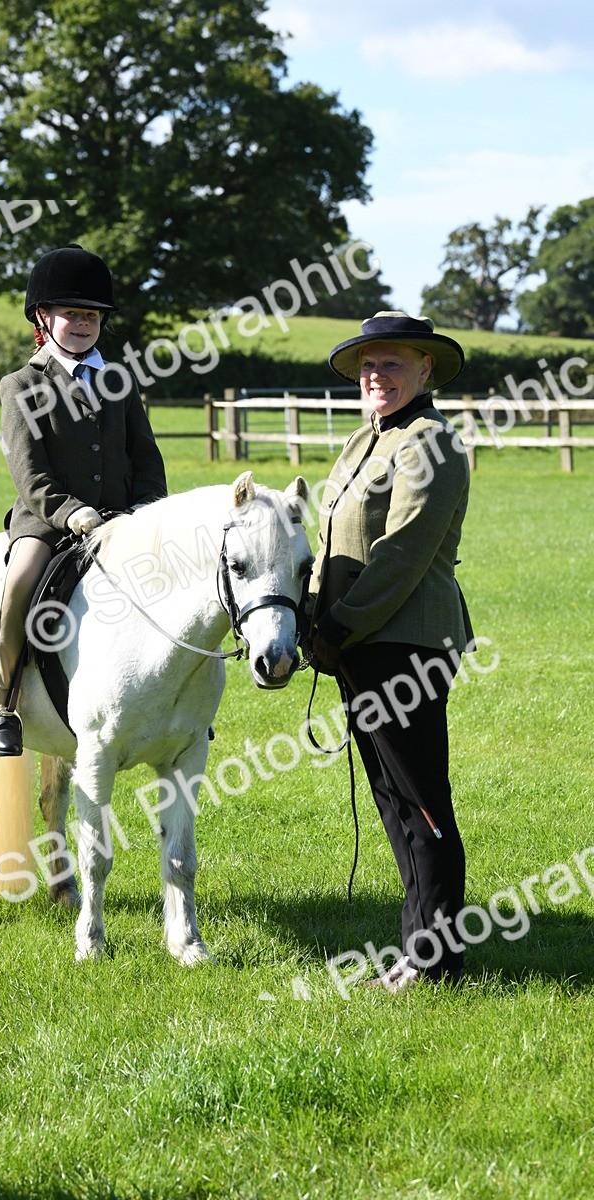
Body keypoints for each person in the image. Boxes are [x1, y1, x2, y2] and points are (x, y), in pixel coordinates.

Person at [306, 311, 474, 992]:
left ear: (425, 369)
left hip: (403, 644)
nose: (378, 376)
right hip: (357, 643)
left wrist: (337, 628)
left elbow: (399, 556)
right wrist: (313, 619)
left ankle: (436, 963)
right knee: (393, 801)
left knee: (422, 804)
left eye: (394, 364)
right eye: (369, 366)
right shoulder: (366, 440)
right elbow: (332, 545)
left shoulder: (430, 442)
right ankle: (419, 950)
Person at [0, 244, 167, 757]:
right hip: (48, 522)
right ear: (44, 317)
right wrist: (72, 513)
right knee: (19, 583)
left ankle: (178, 705)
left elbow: (146, 456)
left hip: (122, 518)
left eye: (92, 315)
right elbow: (30, 475)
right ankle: (5, 704)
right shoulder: (21, 385)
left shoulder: (120, 380)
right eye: (73, 314)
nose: (85, 324)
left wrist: (148, 510)